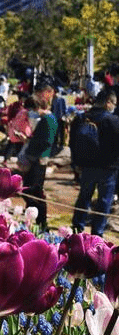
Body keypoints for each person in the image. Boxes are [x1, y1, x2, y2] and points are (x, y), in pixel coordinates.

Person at [71, 88, 119, 237]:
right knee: (104, 201)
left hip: (86, 166)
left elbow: (72, 143)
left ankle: (76, 229)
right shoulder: (114, 121)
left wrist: (76, 164)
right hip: (108, 168)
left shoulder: (81, 118)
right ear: (108, 103)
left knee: (84, 197)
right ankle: (97, 234)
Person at [18, 80, 57, 232]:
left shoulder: (48, 119)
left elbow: (45, 141)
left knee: (34, 192)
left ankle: (41, 222)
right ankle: (34, 219)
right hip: (36, 157)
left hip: (38, 160)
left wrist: (30, 151)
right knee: (31, 190)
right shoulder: (47, 119)